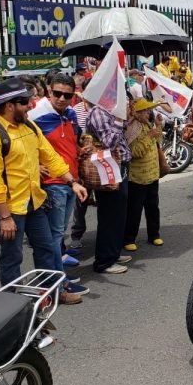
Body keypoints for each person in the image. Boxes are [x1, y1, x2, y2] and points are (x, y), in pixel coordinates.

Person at [0, 78, 87, 299]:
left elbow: (50, 156)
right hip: (9, 209)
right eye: (25, 102)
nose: (30, 105)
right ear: (10, 105)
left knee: (46, 249)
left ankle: (53, 293)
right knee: (12, 257)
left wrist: (71, 181)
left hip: (34, 202)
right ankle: (12, 305)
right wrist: (4, 217)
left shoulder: (28, 126)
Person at [28, 74, 89, 299]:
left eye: (68, 95)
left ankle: (58, 277)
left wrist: (82, 150)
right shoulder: (37, 117)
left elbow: (70, 144)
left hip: (70, 181)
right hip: (54, 185)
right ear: (49, 92)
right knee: (54, 237)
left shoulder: (71, 115)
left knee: (58, 236)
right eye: (58, 94)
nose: (62, 98)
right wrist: (36, 165)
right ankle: (57, 284)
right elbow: (26, 147)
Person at [85, 95, 133, 275]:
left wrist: (124, 116)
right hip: (109, 167)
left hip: (120, 166)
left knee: (119, 213)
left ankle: (113, 253)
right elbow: (109, 141)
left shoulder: (111, 112)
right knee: (109, 214)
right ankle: (104, 261)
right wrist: (120, 120)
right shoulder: (98, 112)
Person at [123, 98, 164, 251]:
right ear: (138, 112)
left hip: (152, 175)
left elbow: (157, 141)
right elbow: (134, 152)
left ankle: (154, 235)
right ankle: (129, 239)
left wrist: (158, 127)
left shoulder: (147, 125)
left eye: (148, 110)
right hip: (138, 178)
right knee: (134, 209)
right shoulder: (132, 128)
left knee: (153, 207)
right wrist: (150, 137)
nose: (148, 113)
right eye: (145, 111)